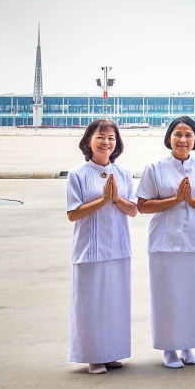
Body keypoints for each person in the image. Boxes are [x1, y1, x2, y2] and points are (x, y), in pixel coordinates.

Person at [137, 116, 195, 368]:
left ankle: (188, 346)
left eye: (188, 135)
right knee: (167, 296)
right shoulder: (155, 168)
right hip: (164, 242)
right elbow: (142, 205)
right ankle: (169, 350)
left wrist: (190, 200)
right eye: (177, 134)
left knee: (192, 295)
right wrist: (175, 200)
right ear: (169, 138)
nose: (183, 139)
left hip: (194, 240)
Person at [66, 119, 138, 374]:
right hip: (89, 248)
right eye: (101, 136)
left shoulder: (124, 173)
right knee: (91, 304)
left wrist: (116, 199)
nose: (106, 142)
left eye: (111, 138)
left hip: (118, 247)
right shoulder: (78, 174)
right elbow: (73, 214)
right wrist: (103, 199)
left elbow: (133, 210)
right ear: (88, 141)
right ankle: (93, 355)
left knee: (115, 303)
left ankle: (112, 353)